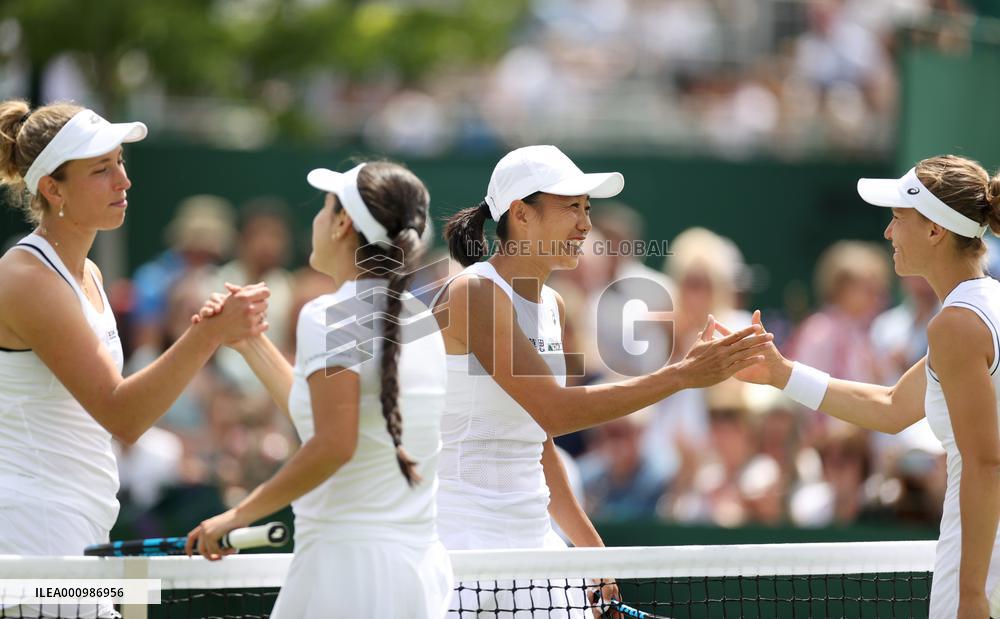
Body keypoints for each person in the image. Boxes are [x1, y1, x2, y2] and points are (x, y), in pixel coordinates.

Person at [433, 144, 772, 617]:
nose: (585, 225)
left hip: (533, 549)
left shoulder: (553, 307)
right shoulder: (473, 293)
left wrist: (592, 551)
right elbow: (555, 409)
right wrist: (682, 376)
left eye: (587, 209)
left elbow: (538, 439)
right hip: (460, 554)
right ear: (521, 214)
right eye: (570, 207)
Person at [0, 101, 267, 617]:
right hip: (31, 538)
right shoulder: (27, 279)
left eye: (120, 162)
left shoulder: (90, 275)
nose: (123, 181)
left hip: (75, 530)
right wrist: (207, 335)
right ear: (53, 190)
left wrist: (205, 335)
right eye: (102, 170)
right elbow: (124, 415)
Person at [727, 155, 1000, 618]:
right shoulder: (977, 309)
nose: (888, 233)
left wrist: (972, 593)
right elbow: (892, 407)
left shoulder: (957, 325)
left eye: (897, 219)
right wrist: (782, 373)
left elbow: (987, 462)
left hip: (983, 560)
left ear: (935, 230)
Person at [186, 161, 453, 619]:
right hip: (415, 576)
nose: (316, 219)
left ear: (342, 224)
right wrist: (250, 342)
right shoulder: (422, 319)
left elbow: (334, 442)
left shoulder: (329, 314)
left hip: (345, 575)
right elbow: (326, 416)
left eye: (324, 208)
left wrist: (238, 515)